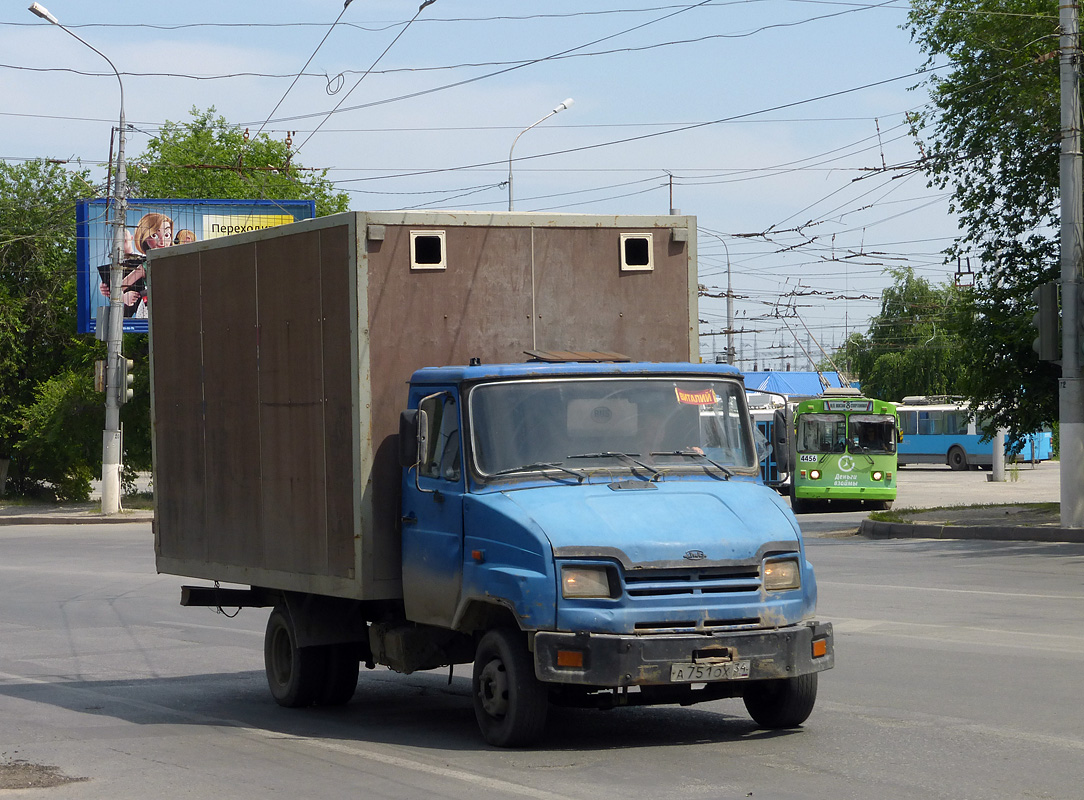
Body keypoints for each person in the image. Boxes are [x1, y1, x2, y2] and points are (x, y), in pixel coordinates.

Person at [98, 213, 173, 318]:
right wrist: (123, 297)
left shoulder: (177, 261)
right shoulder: (145, 266)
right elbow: (115, 289)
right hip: (150, 310)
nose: (162, 241)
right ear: (144, 238)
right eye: (154, 235)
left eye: (167, 235)